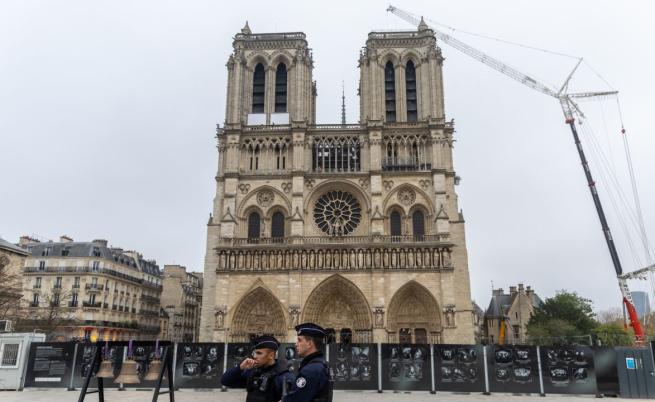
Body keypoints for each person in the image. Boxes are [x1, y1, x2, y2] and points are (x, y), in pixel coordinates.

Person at [221, 335, 294, 402]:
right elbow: (225, 381)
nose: (255, 356)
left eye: (259, 353)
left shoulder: (284, 377)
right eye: (254, 353)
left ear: (271, 355)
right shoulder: (253, 372)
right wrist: (240, 367)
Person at [282, 323, 333, 402]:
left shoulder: (310, 371)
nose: (296, 344)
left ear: (309, 343)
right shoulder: (320, 364)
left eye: (299, 340)